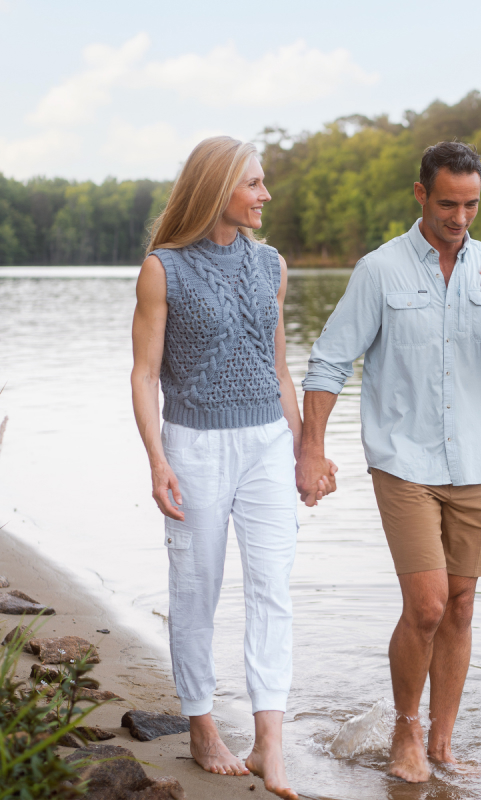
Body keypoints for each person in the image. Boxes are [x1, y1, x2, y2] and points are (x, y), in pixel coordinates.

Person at [296, 141, 481, 783]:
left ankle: (442, 742)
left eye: (471, 204)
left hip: (478, 465)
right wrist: (313, 447)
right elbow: (329, 359)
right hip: (404, 463)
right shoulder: (379, 270)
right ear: (420, 194)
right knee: (430, 605)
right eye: (447, 203)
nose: (460, 218)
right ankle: (406, 732)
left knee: (462, 606)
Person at [131, 136, 332, 799]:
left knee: (273, 586)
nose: (265, 195)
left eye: (264, 182)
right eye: (253, 184)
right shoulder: (164, 269)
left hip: (268, 444)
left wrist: (307, 451)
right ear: (219, 188)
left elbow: (278, 368)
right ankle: (201, 726)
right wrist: (157, 458)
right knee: (196, 589)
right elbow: (144, 373)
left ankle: (269, 740)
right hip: (193, 446)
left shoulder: (271, 264)